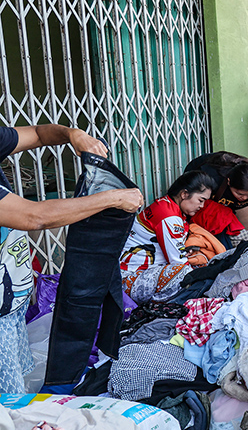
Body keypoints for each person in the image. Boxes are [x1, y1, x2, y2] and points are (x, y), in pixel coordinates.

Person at [0, 124, 142, 393]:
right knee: (10, 405)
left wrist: (73, 134)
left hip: (10, 299)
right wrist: (110, 199)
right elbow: (34, 217)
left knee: (15, 386)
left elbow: (40, 134)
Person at [120, 170, 215, 304]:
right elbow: (178, 262)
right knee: (186, 273)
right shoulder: (169, 216)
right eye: (200, 200)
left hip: (139, 275)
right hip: (128, 281)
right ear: (184, 194)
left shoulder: (166, 204)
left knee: (199, 269)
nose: (202, 206)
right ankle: (160, 308)